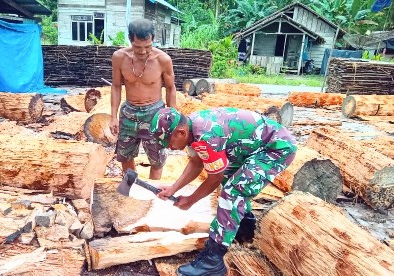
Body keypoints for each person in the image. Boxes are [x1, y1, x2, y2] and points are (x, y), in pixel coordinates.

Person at [149, 107, 297, 276]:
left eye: (168, 142)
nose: (169, 147)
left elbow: (214, 179)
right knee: (231, 177)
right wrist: (173, 189)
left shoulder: (206, 136)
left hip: (277, 148)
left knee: (233, 192)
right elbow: (196, 163)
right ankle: (245, 227)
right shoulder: (192, 128)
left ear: (181, 133)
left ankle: (213, 260)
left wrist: (190, 200)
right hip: (254, 146)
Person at [109, 18, 177, 180]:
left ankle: (153, 199)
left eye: (148, 46)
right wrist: (113, 116)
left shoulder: (163, 60)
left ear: (153, 39)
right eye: (138, 47)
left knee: (157, 160)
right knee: (125, 156)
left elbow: (170, 88)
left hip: (154, 113)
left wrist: (171, 116)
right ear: (130, 39)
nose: (143, 51)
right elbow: (116, 86)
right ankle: (129, 192)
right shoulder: (119, 57)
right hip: (129, 113)